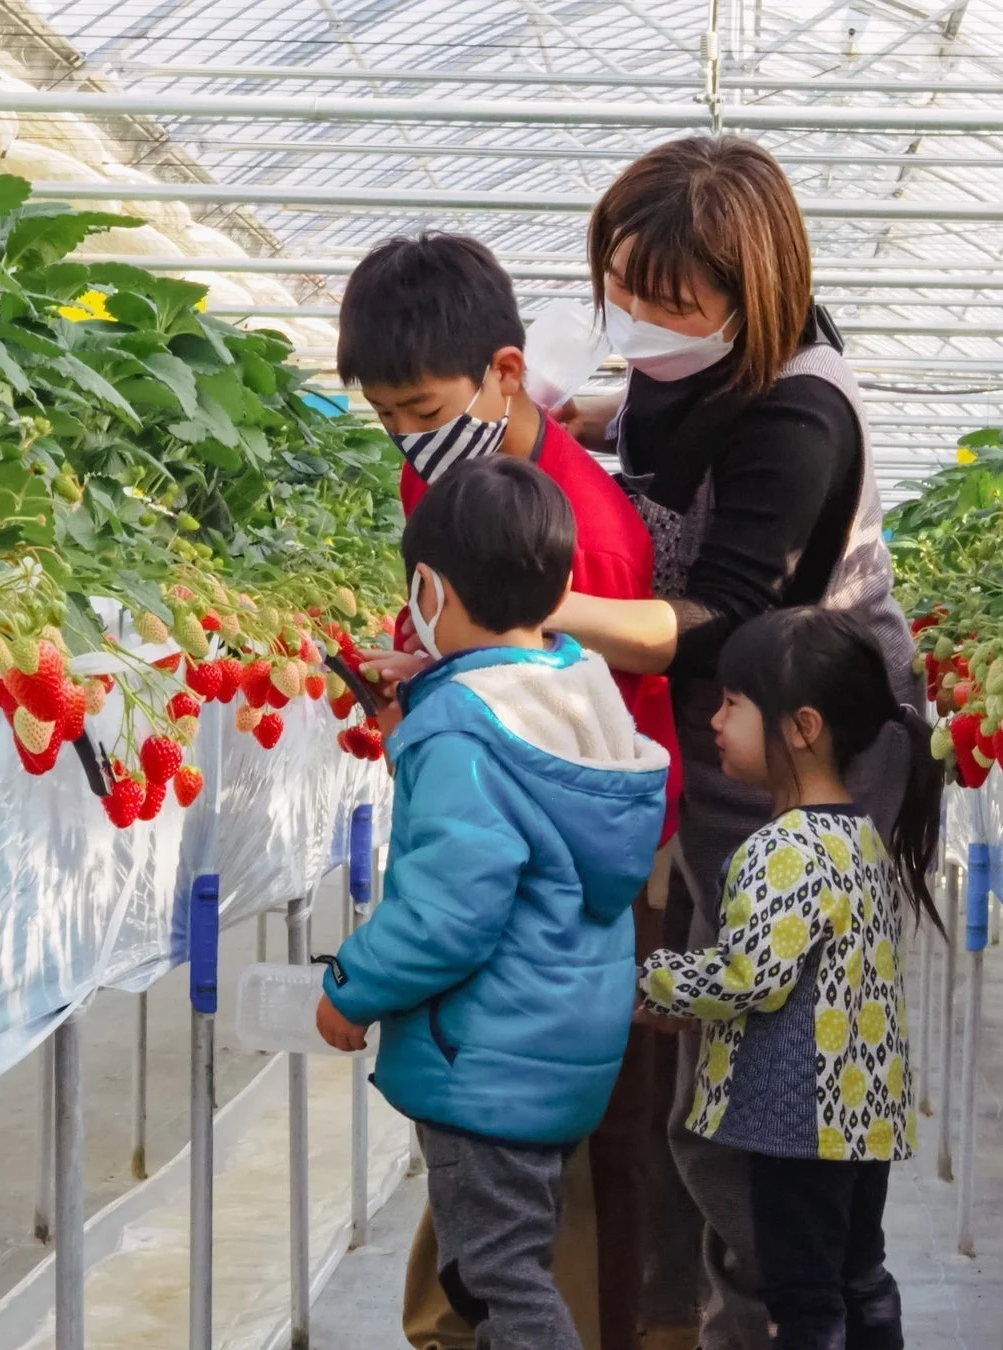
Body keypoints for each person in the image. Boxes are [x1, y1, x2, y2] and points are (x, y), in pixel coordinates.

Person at [548, 137, 922, 1350]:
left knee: (764, 1100)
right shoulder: (693, 362)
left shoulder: (801, 416)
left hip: (815, 750)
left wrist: (531, 598)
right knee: (743, 1094)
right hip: (741, 732)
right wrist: (585, 418)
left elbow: (711, 618)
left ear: (750, 297)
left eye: (675, 301)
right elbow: (663, 410)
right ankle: (766, 1304)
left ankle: (774, 1312)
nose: (643, 319)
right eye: (623, 285)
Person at [338, 231, 682, 1350]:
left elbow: (577, 711)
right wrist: (431, 669)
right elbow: (509, 659)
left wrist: (355, 985)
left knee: (551, 1185)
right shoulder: (444, 473)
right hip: (525, 819)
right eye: (387, 416)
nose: (407, 440)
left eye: (423, 410)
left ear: (502, 372)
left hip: (575, 857)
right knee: (501, 1169)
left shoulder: (593, 532)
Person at [636, 607, 942, 1350]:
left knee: (804, 1300)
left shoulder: (782, 849)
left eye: (734, 702)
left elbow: (751, 976)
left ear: (802, 726)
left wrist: (655, 983)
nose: (714, 718)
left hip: (802, 1121)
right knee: (859, 1274)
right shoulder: (860, 835)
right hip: (862, 1110)